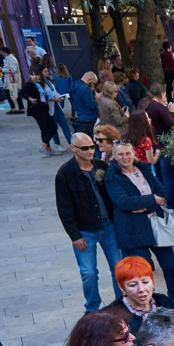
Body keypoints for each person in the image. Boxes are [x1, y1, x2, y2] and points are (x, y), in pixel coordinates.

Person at [104, 142, 174, 299]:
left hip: (156, 225)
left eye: (128, 153)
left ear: (133, 154)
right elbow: (124, 202)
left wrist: (146, 206)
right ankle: (148, 301)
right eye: (120, 154)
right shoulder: (111, 176)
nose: (125, 157)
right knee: (142, 271)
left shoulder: (144, 169)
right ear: (114, 156)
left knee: (169, 265)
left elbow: (162, 192)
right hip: (132, 229)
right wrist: (152, 199)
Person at [56, 133, 122, 312]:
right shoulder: (65, 173)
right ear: (73, 148)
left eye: (92, 146)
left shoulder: (101, 166)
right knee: (88, 273)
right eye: (84, 148)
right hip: (85, 231)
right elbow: (64, 208)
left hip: (108, 226)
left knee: (119, 268)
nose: (90, 150)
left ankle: (122, 304)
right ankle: (92, 308)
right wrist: (75, 235)